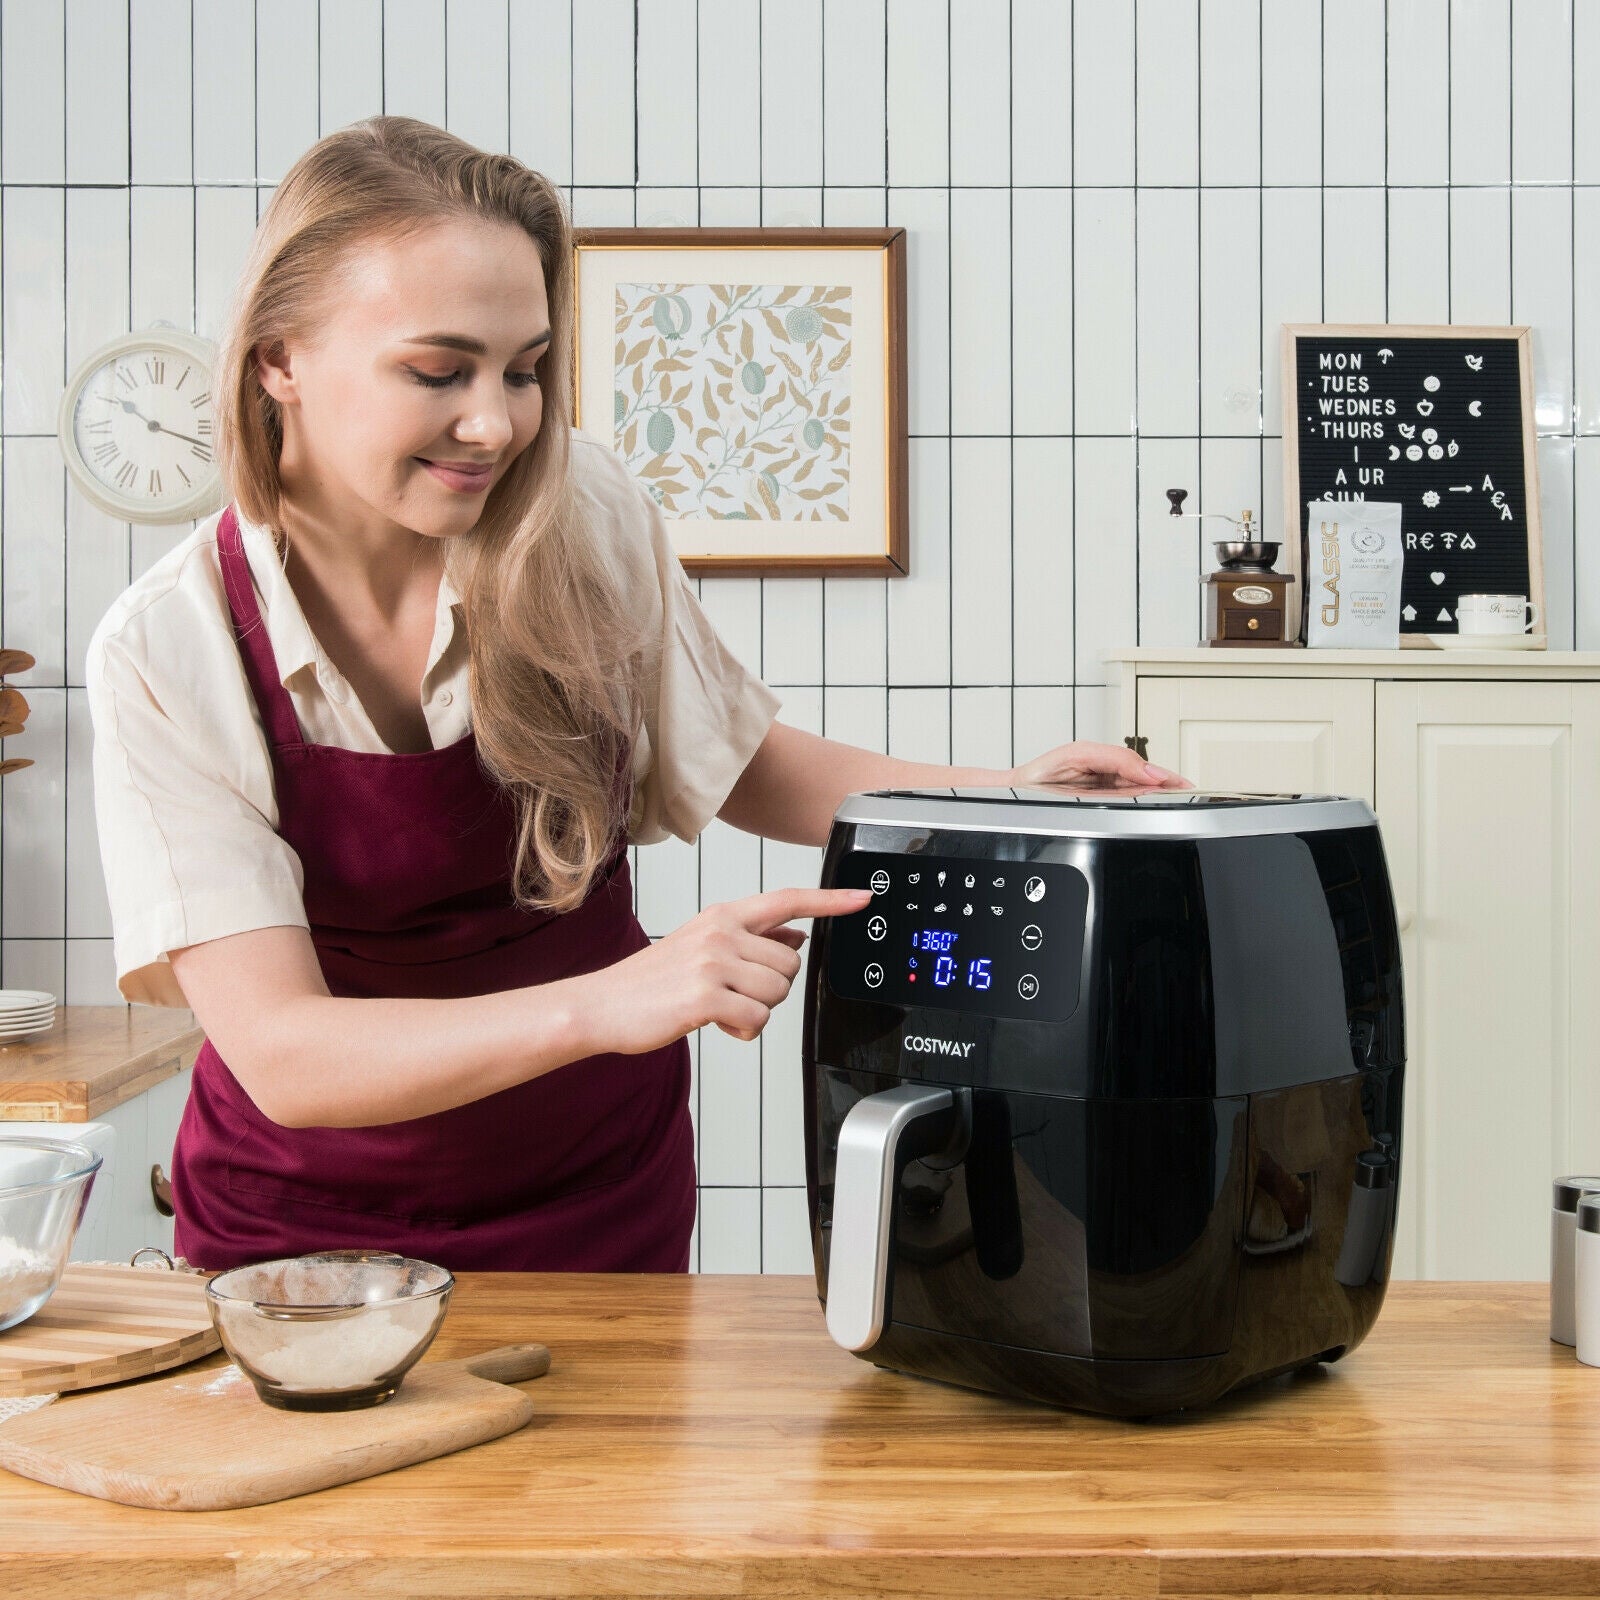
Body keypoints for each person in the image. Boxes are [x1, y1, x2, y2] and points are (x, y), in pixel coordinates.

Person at [86, 118, 1184, 1274]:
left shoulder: (582, 509)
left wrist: (1007, 797)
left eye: (524, 368)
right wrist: (610, 1000)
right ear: (278, 358)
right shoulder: (171, 646)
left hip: (598, 1192)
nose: (496, 423)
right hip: (301, 1230)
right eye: (436, 369)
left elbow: (733, 755)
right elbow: (287, 1053)